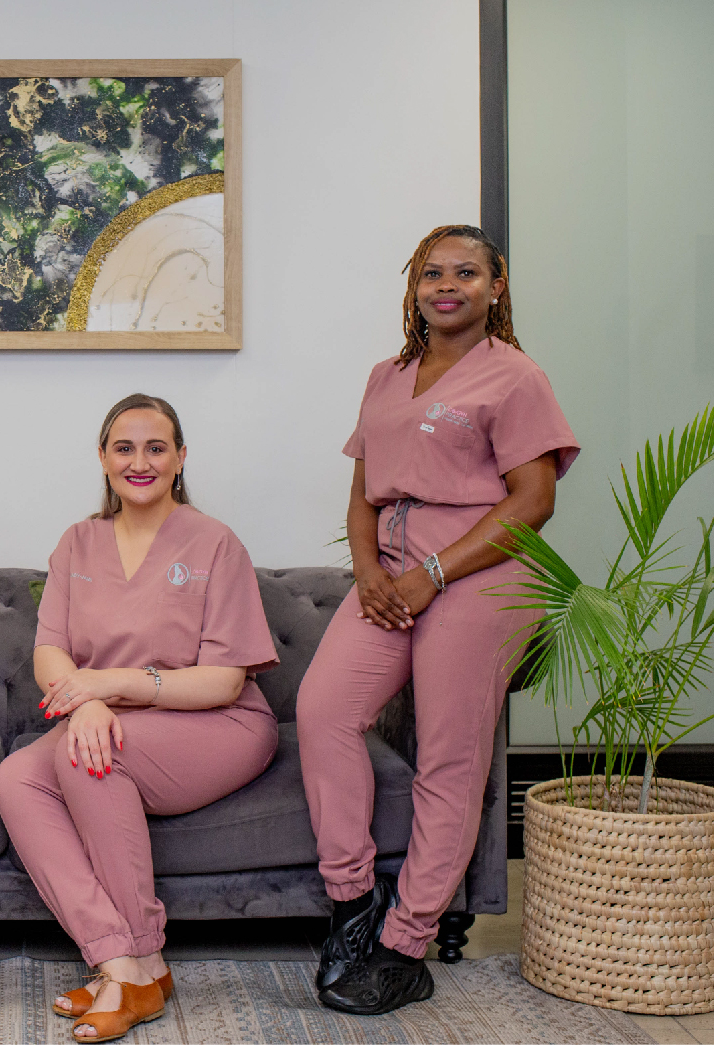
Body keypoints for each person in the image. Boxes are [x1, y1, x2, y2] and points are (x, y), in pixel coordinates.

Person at [298, 225, 579, 1015]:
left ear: (496, 287)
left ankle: (406, 943)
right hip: (390, 573)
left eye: (465, 272)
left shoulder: (516, 376)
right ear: (414, 288)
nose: (446, 285)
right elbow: (363, 494)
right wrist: (368, 572)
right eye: (431, 273)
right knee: (324, 710)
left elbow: (534, 500)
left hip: (479, 574)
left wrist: (433, 574)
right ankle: (354, 904)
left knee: (448, 758)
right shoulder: (386, 375)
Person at [0, 394, 280, 1043]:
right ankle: (124, 963)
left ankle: (141, 959)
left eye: (156, 447)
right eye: (124, 448)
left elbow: (225, 680)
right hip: (105, 714)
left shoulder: (215, 543)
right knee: (15, 778)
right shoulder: (78, 541)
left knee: (87, 755)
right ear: (103, 458)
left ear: (180, 458)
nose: (140, 462)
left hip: (218, 721)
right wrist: (87, 699)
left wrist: (110, 685)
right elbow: (48, 650)